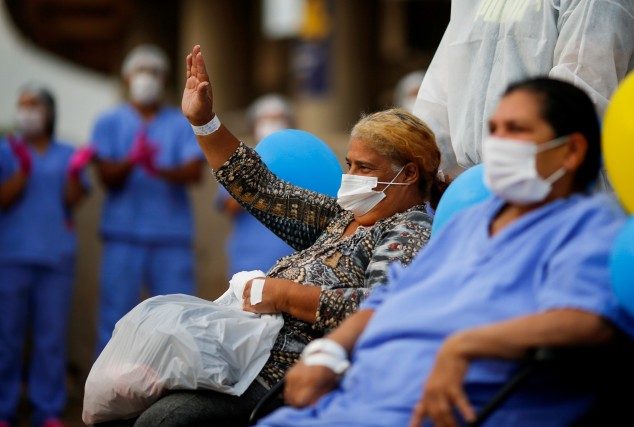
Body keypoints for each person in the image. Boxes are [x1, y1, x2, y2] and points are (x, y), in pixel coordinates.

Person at [90, 44, 449, 427]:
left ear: (409, 174)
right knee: (120, 403)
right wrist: (205, 122)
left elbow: (383, 308)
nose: (352, 176)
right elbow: (264, 189)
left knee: (163, 421)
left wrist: (284, 295)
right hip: (244, 357)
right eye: (350, 164)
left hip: (285, 376)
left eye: (365, 167)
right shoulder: (343, 216)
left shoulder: (408, 228)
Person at [257, 78, 634, 427]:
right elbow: (388, 298)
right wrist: (328, 352)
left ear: (571, 151)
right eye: (495, 130)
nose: (499, 143)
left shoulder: (588, 227)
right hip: (357, 396)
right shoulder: (470, 221)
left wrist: (466, 344)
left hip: (439, 409)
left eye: (517, 130)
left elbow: (587, 321)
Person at [414, 0, 634, 179]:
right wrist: (425, 162)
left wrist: (523, 161)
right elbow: (442, 85)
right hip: (470, 187)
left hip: (557, 180)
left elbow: (581, 90)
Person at [90, 44, 206, 356]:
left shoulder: (180, 121)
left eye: (154, 72)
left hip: (171, 237)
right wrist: (132, 161)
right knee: (114, 316)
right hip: (122, 235)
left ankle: (175, 394)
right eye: (140, 72)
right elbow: (106, 177)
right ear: (127, 78)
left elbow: (194, 172)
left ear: (165, 78)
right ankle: (108, 391)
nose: (147, 78)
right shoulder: (109, 122)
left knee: (178, 317)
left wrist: (156, 168)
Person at [0, 84, 92, 427]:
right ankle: (3, 409)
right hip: (11, 256)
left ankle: (47, 409)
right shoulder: (5, 150)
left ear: (49, 112)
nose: (26, 111)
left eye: (34, 105)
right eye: (21, 105)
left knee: (50, 339)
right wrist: (22, 171)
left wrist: (73, 174)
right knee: (6, 338)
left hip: (55, 258)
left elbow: (72, 200)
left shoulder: (67, 152)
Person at [214, 93, 298, 277]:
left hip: (296, 262)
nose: (272, 124)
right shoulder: (238, 162)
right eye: (265, 119)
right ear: (253, 126)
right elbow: (229, 206)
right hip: (251, 261)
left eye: (278, 119)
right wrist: (262, 170)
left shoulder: (302, 160)